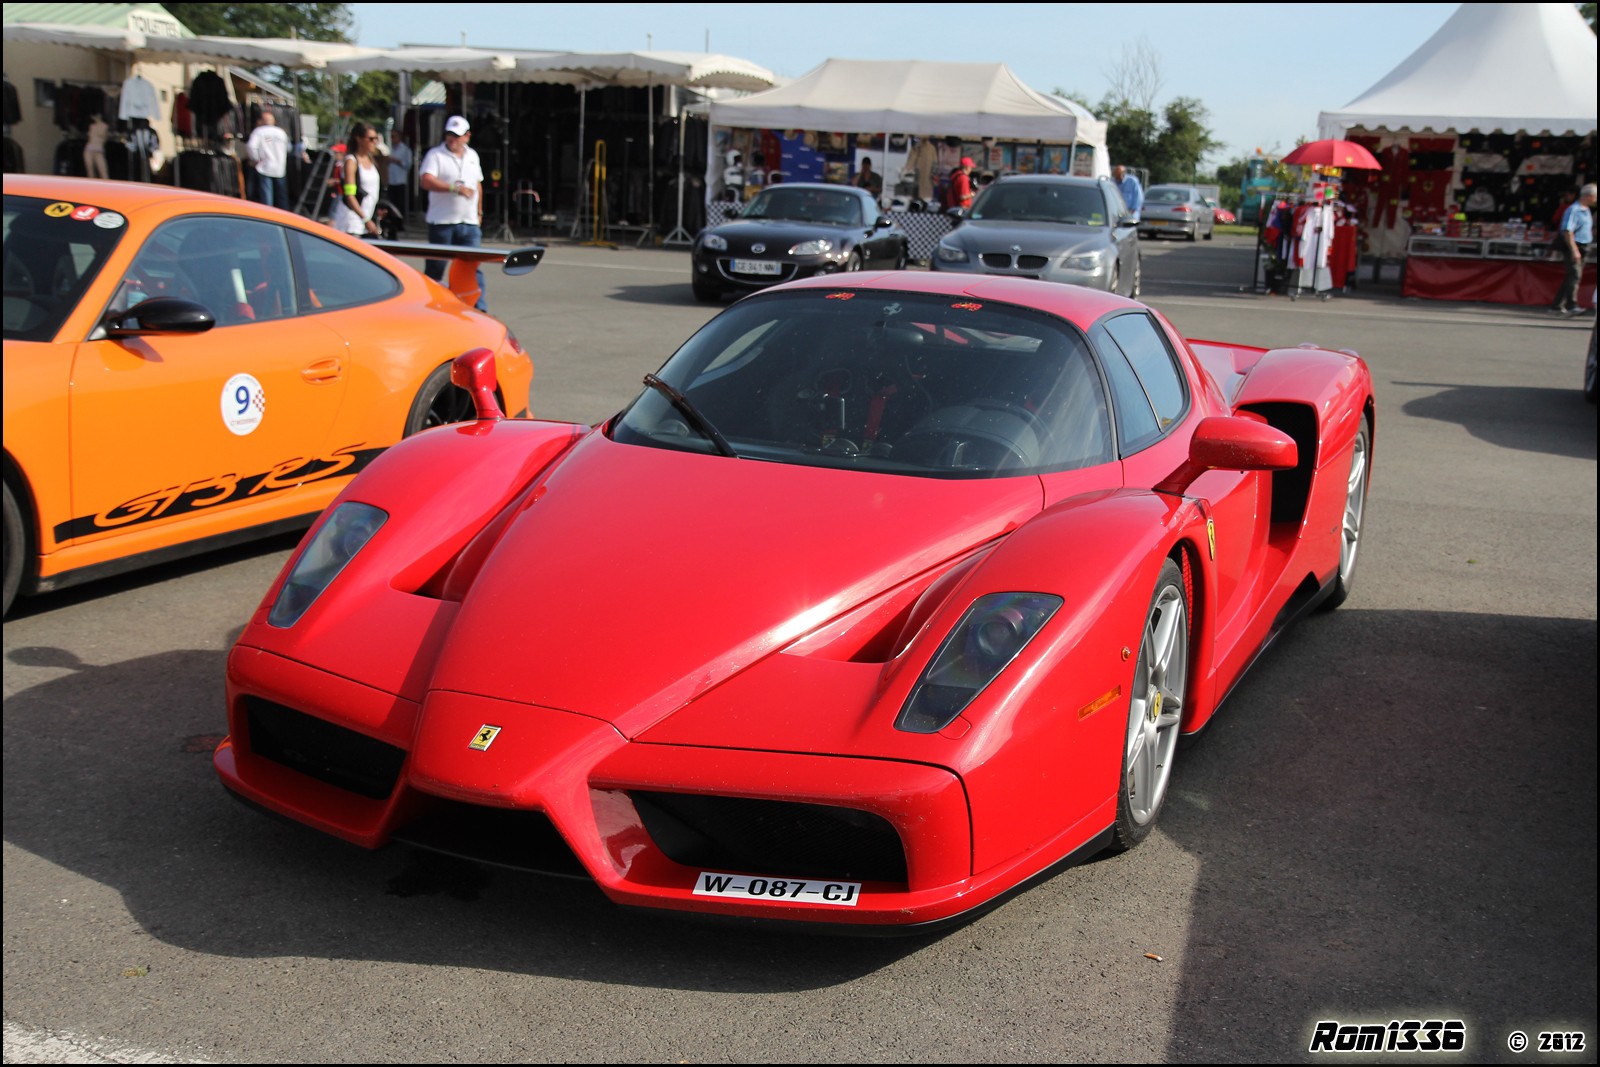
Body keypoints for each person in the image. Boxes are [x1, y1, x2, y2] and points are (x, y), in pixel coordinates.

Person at [419, 115, 487, 310]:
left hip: (469, 222)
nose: (452, 139)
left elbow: (478, 185)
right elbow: (426, 180)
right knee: (436, 268)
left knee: (472, 268)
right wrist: (453, 188)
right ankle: (430, 306)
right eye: (449, 134)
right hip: (443, 222)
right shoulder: (435, 155)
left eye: (457, 136)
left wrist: (479, 212)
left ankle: (478, 308)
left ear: (467, 136)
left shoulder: (472, 156)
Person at [330, 122, 382, 239]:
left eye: (376, 138)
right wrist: (365, 219)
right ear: (359, 139)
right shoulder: (351, 161)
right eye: (371, 139)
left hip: (368, 219)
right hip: (352, 221)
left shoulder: (371, 160)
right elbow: (350, 195)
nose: (374, 142)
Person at [1550, 182, 1595, 316]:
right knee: (1575, 275)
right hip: (1574, 245)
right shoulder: (1573, 210)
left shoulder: (1586, 210)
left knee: (1572, 276)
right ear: (1589, 196)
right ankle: (1571, 304)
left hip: (1584, 245)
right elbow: (1567, 230)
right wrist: (1574, 250)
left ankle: (1557, 305)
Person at [246, 111, 291, 209]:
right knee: (282, 196)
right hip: (280, 167)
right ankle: (286, 216)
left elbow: (251, 146)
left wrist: (256, 159)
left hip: (265, 167)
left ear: (262, 121)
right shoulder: (281, 132)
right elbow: (289, 148)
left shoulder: (259, 131)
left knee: (266, 195)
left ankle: (268, 215)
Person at [386, 130, 413, 218]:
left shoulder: (405, 150)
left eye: (393, 137)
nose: (392, 139)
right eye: (391, 137)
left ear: (399, 138)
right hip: (391, 180)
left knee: (400, 202)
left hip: (400, 180)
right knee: (392, 202)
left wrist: (397, 161)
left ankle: (401, 219)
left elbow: (408, 164)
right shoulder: (389, 149)